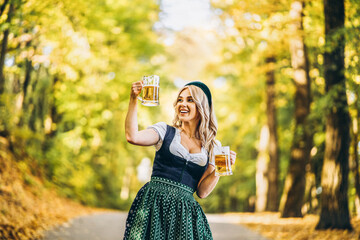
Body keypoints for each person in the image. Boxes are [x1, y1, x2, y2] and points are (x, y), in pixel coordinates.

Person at [124, 80, 236, 239]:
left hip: (185, 214)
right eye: (180, 100)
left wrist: (219, 170)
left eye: (190, 100)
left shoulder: (213, 147)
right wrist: (133, 99)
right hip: (155, 204)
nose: (182, 104)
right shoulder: (165, 131)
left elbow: (203, 192)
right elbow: (132, 137)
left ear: (202, 106)